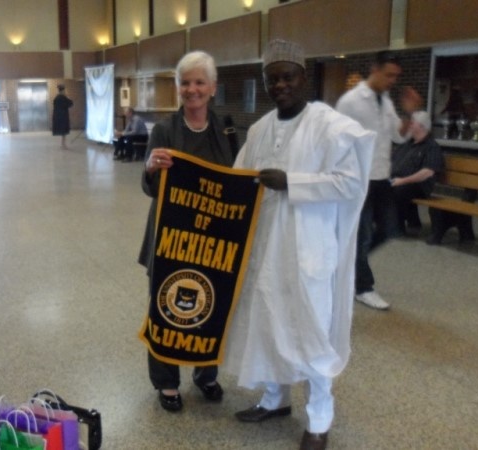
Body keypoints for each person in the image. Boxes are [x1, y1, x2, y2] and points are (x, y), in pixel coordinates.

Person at [225, 39, 375, 450]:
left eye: (287, 77)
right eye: (272, 79)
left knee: (310, 333)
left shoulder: (329, 125)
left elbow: (350, 183)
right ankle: (275, 399)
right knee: (269, 322)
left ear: (303, 77)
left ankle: (319, 420)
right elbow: (238, 177)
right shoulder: (260, 129)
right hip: (266, 250)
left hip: (309, 250)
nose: (280, 85)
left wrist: (292, 182)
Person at [139, 50, 236, 412]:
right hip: (170, 235)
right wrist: (150, 167)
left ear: (212, 88)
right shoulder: (164, 130)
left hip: (212, 238)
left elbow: (236, 180)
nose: (192, 89)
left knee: (212, 302)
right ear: (178, 87)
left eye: (199, 82)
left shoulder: (227, 130)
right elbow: (150, 187)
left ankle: (205, 372)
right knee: (166, 306)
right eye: (185, 82)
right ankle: (166, 382)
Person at [336, 50, 421, 311]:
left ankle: (346, 264)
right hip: (358, 178)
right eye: (388, 75)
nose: (392, 81)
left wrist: (410, 113)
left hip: (381, 177)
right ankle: (363, 287)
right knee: (362, 236)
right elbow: (336, 140)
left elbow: (398, 136)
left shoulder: (385, 101)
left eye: (396, 76)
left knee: (389, 228)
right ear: (375, 69)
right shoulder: (351, 102)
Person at [390, 111, 443, 234]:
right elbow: (392, 161)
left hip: (419, 186)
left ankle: (397, 227)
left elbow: (428, 172)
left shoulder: (431, 147)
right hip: (398, 180)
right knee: (376, 186)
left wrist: (402, 181)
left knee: (398, 191)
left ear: (422, 126)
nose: (409, 125)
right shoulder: (406, 144)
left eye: (412, 123)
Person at [52, 84, 73, 149]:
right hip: (63, 116)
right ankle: (63, 144)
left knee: (63, 131)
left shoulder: (56, 98)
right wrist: (68, 97)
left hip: (57, 115)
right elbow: (70, 104)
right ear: (63, 91)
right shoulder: (63, 97)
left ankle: (63, 144)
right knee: (64, 131)